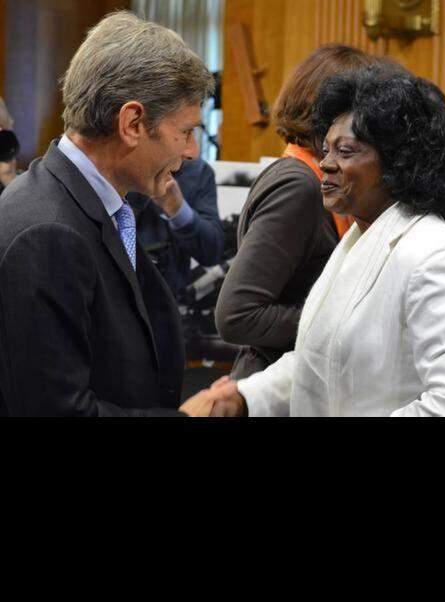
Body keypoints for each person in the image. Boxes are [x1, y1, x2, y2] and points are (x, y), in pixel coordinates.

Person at [184, 69, 445, 417]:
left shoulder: (440, 257)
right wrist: (247, 396)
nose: (325, 164)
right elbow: (324, 358)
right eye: (326, 150)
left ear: (398, 163)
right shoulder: (359, 236)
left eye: (345, 151)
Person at [0, 11, 213, 416]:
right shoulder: (47, 234)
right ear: (132, 123)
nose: (191, 151)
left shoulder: (94, 204)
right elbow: (57, 411)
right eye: (185, 132)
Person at [214, 45, 403, 379]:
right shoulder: (299, 186)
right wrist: (346, 320)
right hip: (273, 386)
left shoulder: (312, 177)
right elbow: (237, 316)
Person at [125, 134, 225, 297]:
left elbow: (212, 252)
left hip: (169, 299)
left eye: (191, 132)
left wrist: (178, 210)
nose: (191, 151)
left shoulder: (196, 172)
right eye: (183, 131)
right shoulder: (112, 166)